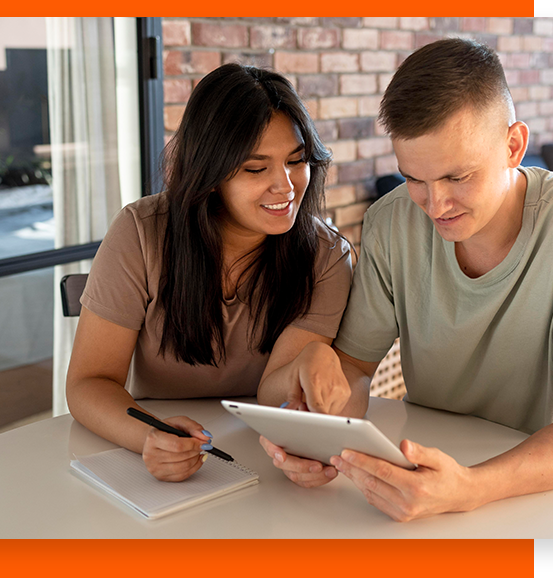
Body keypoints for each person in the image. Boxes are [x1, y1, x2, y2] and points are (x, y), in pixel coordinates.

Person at [260, 38, 553, 520]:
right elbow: (356, 368)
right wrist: (318, 429)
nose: (434, 205)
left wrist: (471, 488)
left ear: (513, 146)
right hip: (445, 465)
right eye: (414, 179)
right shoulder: (391, 221)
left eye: (457, 177)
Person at [66, 63, 356, 483]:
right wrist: (149, 435)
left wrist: (305, 366)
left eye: (297, 160)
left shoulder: (326, 256)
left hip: (258, 453)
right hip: (154, 440)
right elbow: (89, 382)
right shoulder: (140, 232)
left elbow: (272, 394)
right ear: (211, 173)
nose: (287, 186)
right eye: (256, 169)